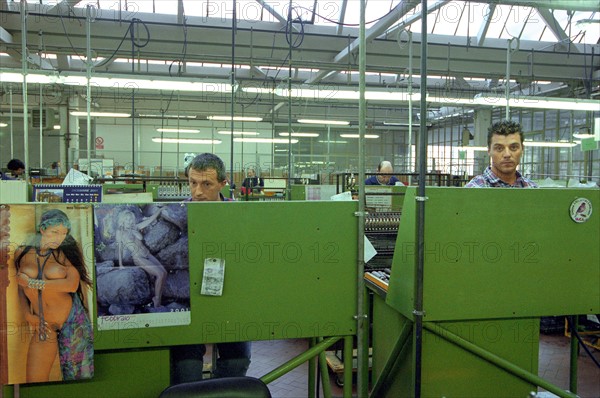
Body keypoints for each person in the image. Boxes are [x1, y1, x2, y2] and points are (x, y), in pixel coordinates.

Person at [171, 153, 251, 384]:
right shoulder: (177, 214)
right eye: (192, 183)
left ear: (222, 184)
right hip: (188, 301)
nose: (197, 192)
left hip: (230, 300)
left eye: (206, 184)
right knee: (186, 367)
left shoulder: (241, 216)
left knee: (238, 361)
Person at [14, 209, 94, 382]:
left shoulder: (64, 253)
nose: (59, 238)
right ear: (42, 229)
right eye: (54, 232)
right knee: (34, 381)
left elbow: (71, 285)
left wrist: (32, 283)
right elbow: (20, 289)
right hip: (44, 324)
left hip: (73, 322)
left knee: (79, 378)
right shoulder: (21, 252)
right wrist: (28, 314)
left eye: (63, 233)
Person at [115, 208, 167, 308]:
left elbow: (150, 220)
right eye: (127, 219)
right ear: (122, 220)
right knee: (160, 274)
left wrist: (159, 210)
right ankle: (157, 301)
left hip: (147, 254)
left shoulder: (136, 227)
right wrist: (120, 265)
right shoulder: (120, 232)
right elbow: (119, 248)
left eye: (131, 219)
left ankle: (157, 298)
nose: (129, 221)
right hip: (138, 257)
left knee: (164, 272)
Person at [465, 120, 538, 188]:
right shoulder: (474, 190)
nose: (507, 154)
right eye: (499, 148)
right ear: (489, 150)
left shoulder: (533, 189)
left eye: (513, 147)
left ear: (522, 149)